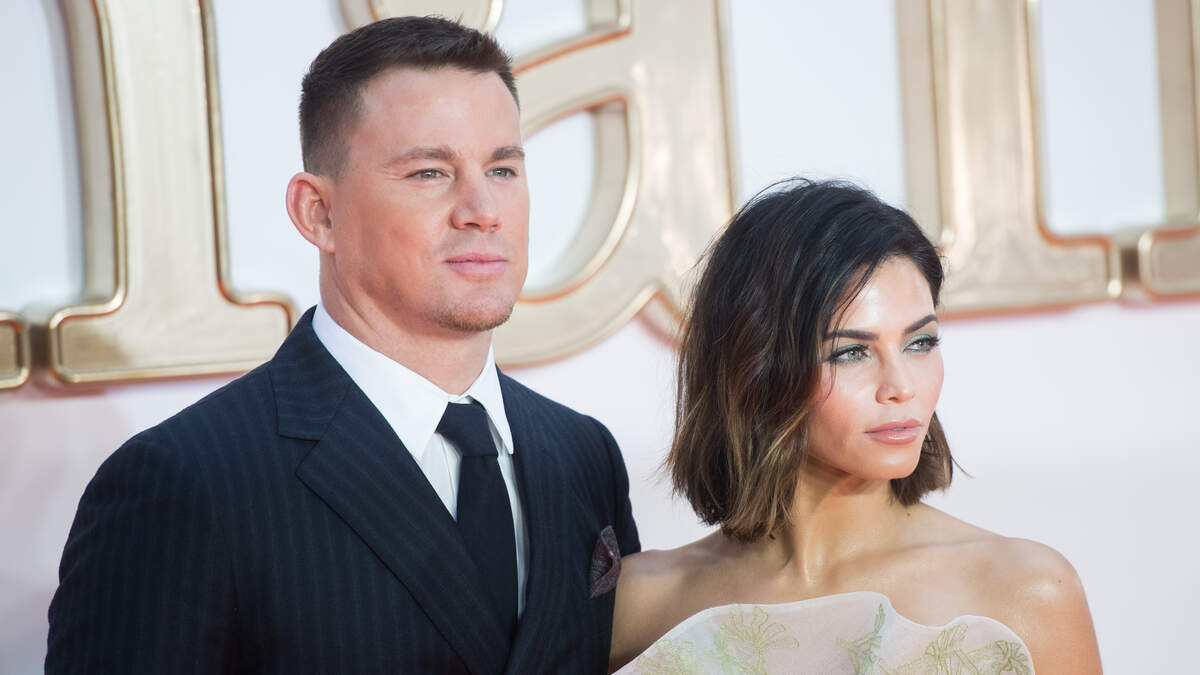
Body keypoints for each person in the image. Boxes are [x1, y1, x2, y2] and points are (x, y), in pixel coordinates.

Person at [47, 16, 638, 674]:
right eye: (429, 172)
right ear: (319, 214)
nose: (483, 209)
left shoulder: (582, 455)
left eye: (502, 169)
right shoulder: (185, 483)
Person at [609, 179, 1100, 674]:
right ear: (756, 369)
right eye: (851, 352)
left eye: (920, 343)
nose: (901, 386)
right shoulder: (637, 604)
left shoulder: (1026, 594)